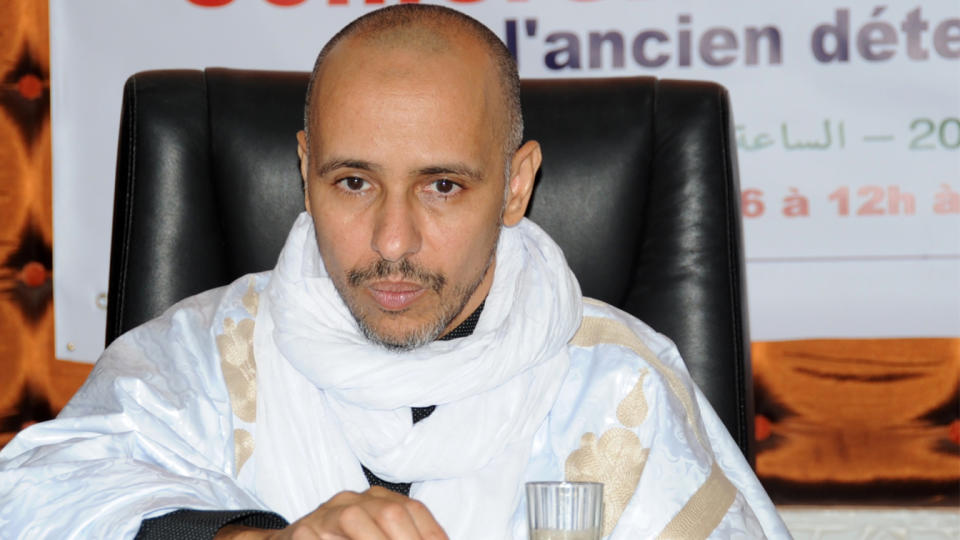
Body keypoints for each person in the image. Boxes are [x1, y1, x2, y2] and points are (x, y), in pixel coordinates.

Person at [0, 5, 790, 539]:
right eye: (353, 182)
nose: (390, 241)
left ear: (516, 186)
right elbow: (33, 499)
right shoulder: (208, 357)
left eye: (442, 186)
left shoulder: (621, 391)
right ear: (304, 169)